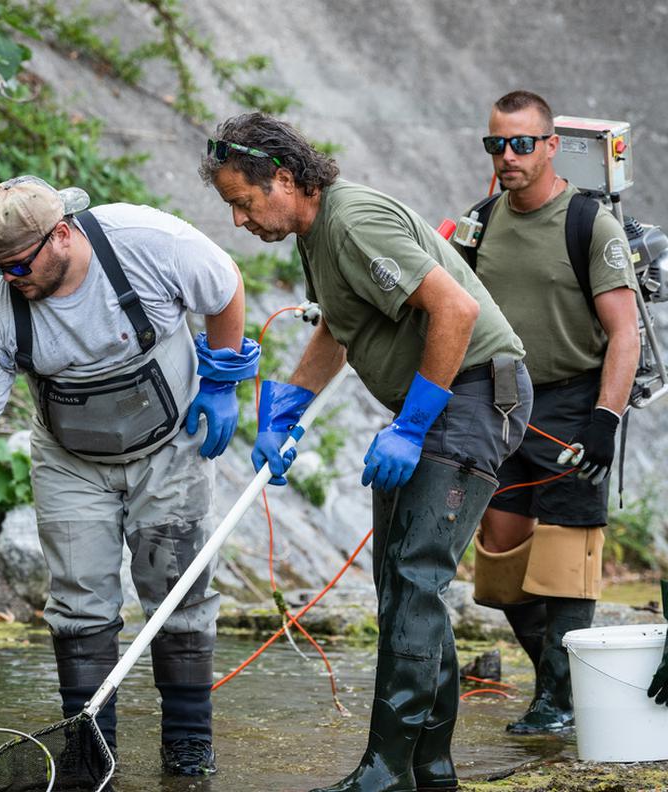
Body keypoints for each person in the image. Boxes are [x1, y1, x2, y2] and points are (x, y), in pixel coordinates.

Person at [200, 112, 531, 792]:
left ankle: (382, 773)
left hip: (472, 395)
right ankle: (431, 768)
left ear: (285, 180)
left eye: (243, 202)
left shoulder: (353, 222)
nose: (239, 220)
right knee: (403, 586)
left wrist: (411, 427)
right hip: (441, 400)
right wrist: (288, 403)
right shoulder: (315, 233)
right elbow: (341, 329)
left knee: (415, 578)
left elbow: (456, 312)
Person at [0, 175, 258, 776]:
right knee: (78, 602)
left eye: (19, 265)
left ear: (63, 235)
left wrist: (224, 380)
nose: (9, 280)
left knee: (177, 593)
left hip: (168, 447)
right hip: (70, 459)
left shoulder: (147, 242)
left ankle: (187, 749)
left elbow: (224, 285)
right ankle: (87, 753)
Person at [461, 90, 641, 736]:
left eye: (520, 144)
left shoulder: (588, 224)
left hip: (571, 402)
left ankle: (560, 701)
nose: (506, 156)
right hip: (502, 402)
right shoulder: (480, 222)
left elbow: (625, 333)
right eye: (495, 144)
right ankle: (555, 681)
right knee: (500, 565)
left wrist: (605, 420)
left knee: (566, 566)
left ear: (549, 146)